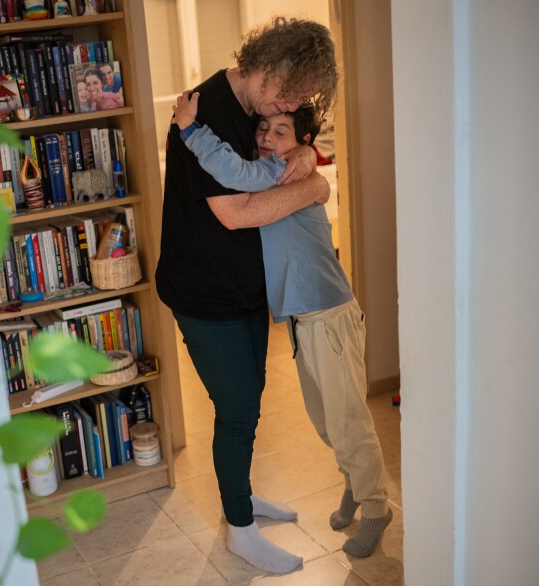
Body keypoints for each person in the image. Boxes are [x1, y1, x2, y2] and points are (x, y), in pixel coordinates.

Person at [172, 92, 393, 559]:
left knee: (349, 419)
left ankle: (376, 505)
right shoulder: (277, 166)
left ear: (303, 142)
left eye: (281, 132)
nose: (267, 139)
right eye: (263, 129)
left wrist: (192, 130)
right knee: (326, 419)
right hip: (304, 320)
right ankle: (355, 483)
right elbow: (240, 170)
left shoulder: (290, 171)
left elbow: (235, 174)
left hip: (329, 316)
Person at [155, 17, 338, 574]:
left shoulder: (260, 107)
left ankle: (243, 495)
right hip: (204, 291)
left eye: (297, 97)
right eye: (285, 90)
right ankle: (240, 529)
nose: (284, 104)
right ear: (267, 60)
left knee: (250, 400)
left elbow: (306, 147)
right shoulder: (207, 111)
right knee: (236, 410)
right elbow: (237, 212)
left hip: (244, 288)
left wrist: (305, 162)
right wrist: (314, 186)